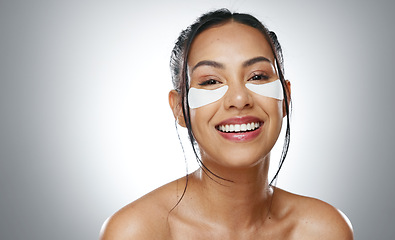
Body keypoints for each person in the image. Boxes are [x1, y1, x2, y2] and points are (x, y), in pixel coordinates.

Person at [100, 9, 353, 239]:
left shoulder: (324, 230)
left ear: (285, 98)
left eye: (258, 76)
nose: (239, 99)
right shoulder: (136, 232)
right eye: (210, 81)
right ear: (179, 108)